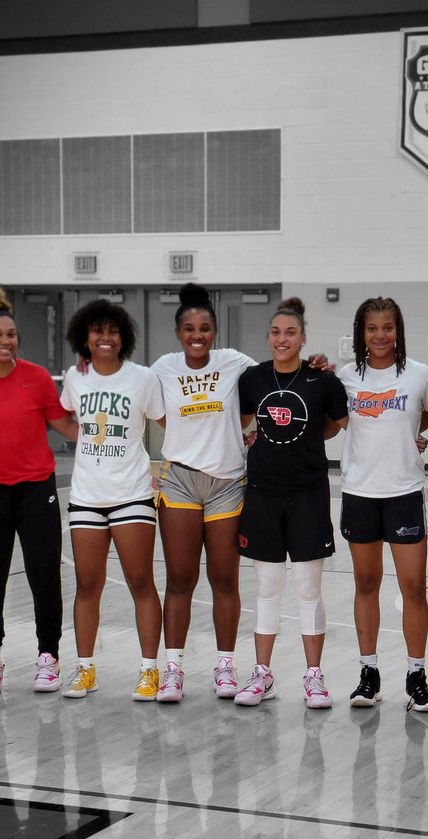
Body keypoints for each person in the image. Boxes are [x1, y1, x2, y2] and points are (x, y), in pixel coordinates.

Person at [0, 287, 78, 694]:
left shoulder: (37, 378)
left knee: (44, 573)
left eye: (11, 334)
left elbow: (66, 426)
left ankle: (48, 657)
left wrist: (111, 431)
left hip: (35, 489)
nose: (5, 341)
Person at [235, 297, 348, 708]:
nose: (282, 339)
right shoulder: (252, 378)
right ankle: (262, 675)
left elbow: (336, 425)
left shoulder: (322, 380)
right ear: (268, 337)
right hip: (263, 494)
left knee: (307, 588)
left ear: (303, 339)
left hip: (308, 494)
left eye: (290, 332)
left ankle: (314, 676)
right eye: (276, 332)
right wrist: (250, 436)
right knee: (267, 587)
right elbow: (244, 422)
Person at [150, 284, 256, 702]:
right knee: (180, 579)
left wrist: (242, 430)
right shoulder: (163, 368)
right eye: (190, 328)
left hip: (227, 482)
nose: (198, 335)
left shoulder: (234, 362)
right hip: (180, 480)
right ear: (178, 332)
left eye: (205, 328)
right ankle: (173, 670)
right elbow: (160, 416)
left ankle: (226, 668)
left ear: (215, 331)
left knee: (225, 578)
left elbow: (272, 381)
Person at [58, 299, 165, 700]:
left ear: (125, 337)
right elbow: (63, 416)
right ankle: (86, 670)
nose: (106, 337)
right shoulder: (76, 377)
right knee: (87, 585)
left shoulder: (142, 379)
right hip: (86, 494)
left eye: (113, 331)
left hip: (132, 492)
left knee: (141, 582)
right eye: (98, 330)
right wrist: (84, 437)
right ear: (84, 337)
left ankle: (149, 671)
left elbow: (166, 422)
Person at [337, 297, 428, 711]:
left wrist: (411, 430)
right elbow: (337, 421)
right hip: (360, 492)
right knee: (366, 583)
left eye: (388, 327)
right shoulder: (345, 378)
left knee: (413, 587)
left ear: (399, 330)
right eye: (372, 328)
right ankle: (369, 672)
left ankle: (416, 675)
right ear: (361, 333)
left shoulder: (419, 375)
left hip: (404, 492)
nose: (381, 336)